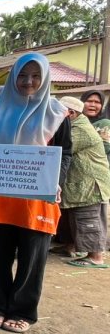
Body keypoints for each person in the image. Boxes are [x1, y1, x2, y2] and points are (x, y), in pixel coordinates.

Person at [0, 53, 71, 334]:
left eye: (35, 76)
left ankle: (22, 311)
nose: (28, 81)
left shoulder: (57, 113)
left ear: (44, 79)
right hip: (0, 195)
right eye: (22, 75)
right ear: (13, 77)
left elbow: (65, 154)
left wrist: (56, 182)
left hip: (37, 197)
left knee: (33, 255)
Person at [57, 96, 110, 268]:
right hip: (81, 183)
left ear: (70, 113)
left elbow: (62, 148)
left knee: (88, 218)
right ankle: (72, 247)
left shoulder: (80, 130)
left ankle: (95, 256)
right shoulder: (75, 125)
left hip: (90, 183)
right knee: (75, 217)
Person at [80, 90, 110, 165]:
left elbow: (103, 150)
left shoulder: (104, 124)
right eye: (89, 101)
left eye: (97, 102)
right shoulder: (73, 122)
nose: (93, 105)